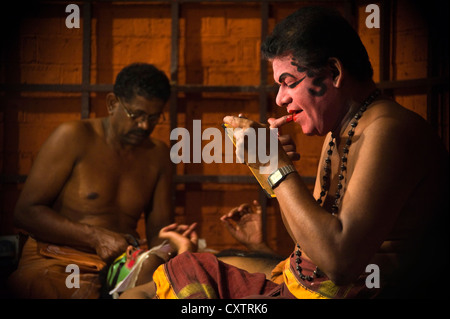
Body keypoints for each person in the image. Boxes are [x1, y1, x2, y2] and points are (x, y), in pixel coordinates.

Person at [123, 6, 449, 299]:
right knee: (171, 277)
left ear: (334, 73)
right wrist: (271, 176)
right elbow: (309, 245)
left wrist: (276, 167)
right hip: (303, 284)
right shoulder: (343, 131)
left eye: (288, 82)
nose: (280, 98)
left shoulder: (388, 130)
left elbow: (340, 263)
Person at [8, 63, 173, 299]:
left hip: (120, 264)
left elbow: (159, 231)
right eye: (136, 115)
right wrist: (96, 237)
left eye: (154, 117)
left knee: (168, 283)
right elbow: (25, 212)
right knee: (44, 285)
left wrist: (174, 243)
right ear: (112, 103)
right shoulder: (73, 136)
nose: (144, 125)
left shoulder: (158, 156)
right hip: (58, 257)